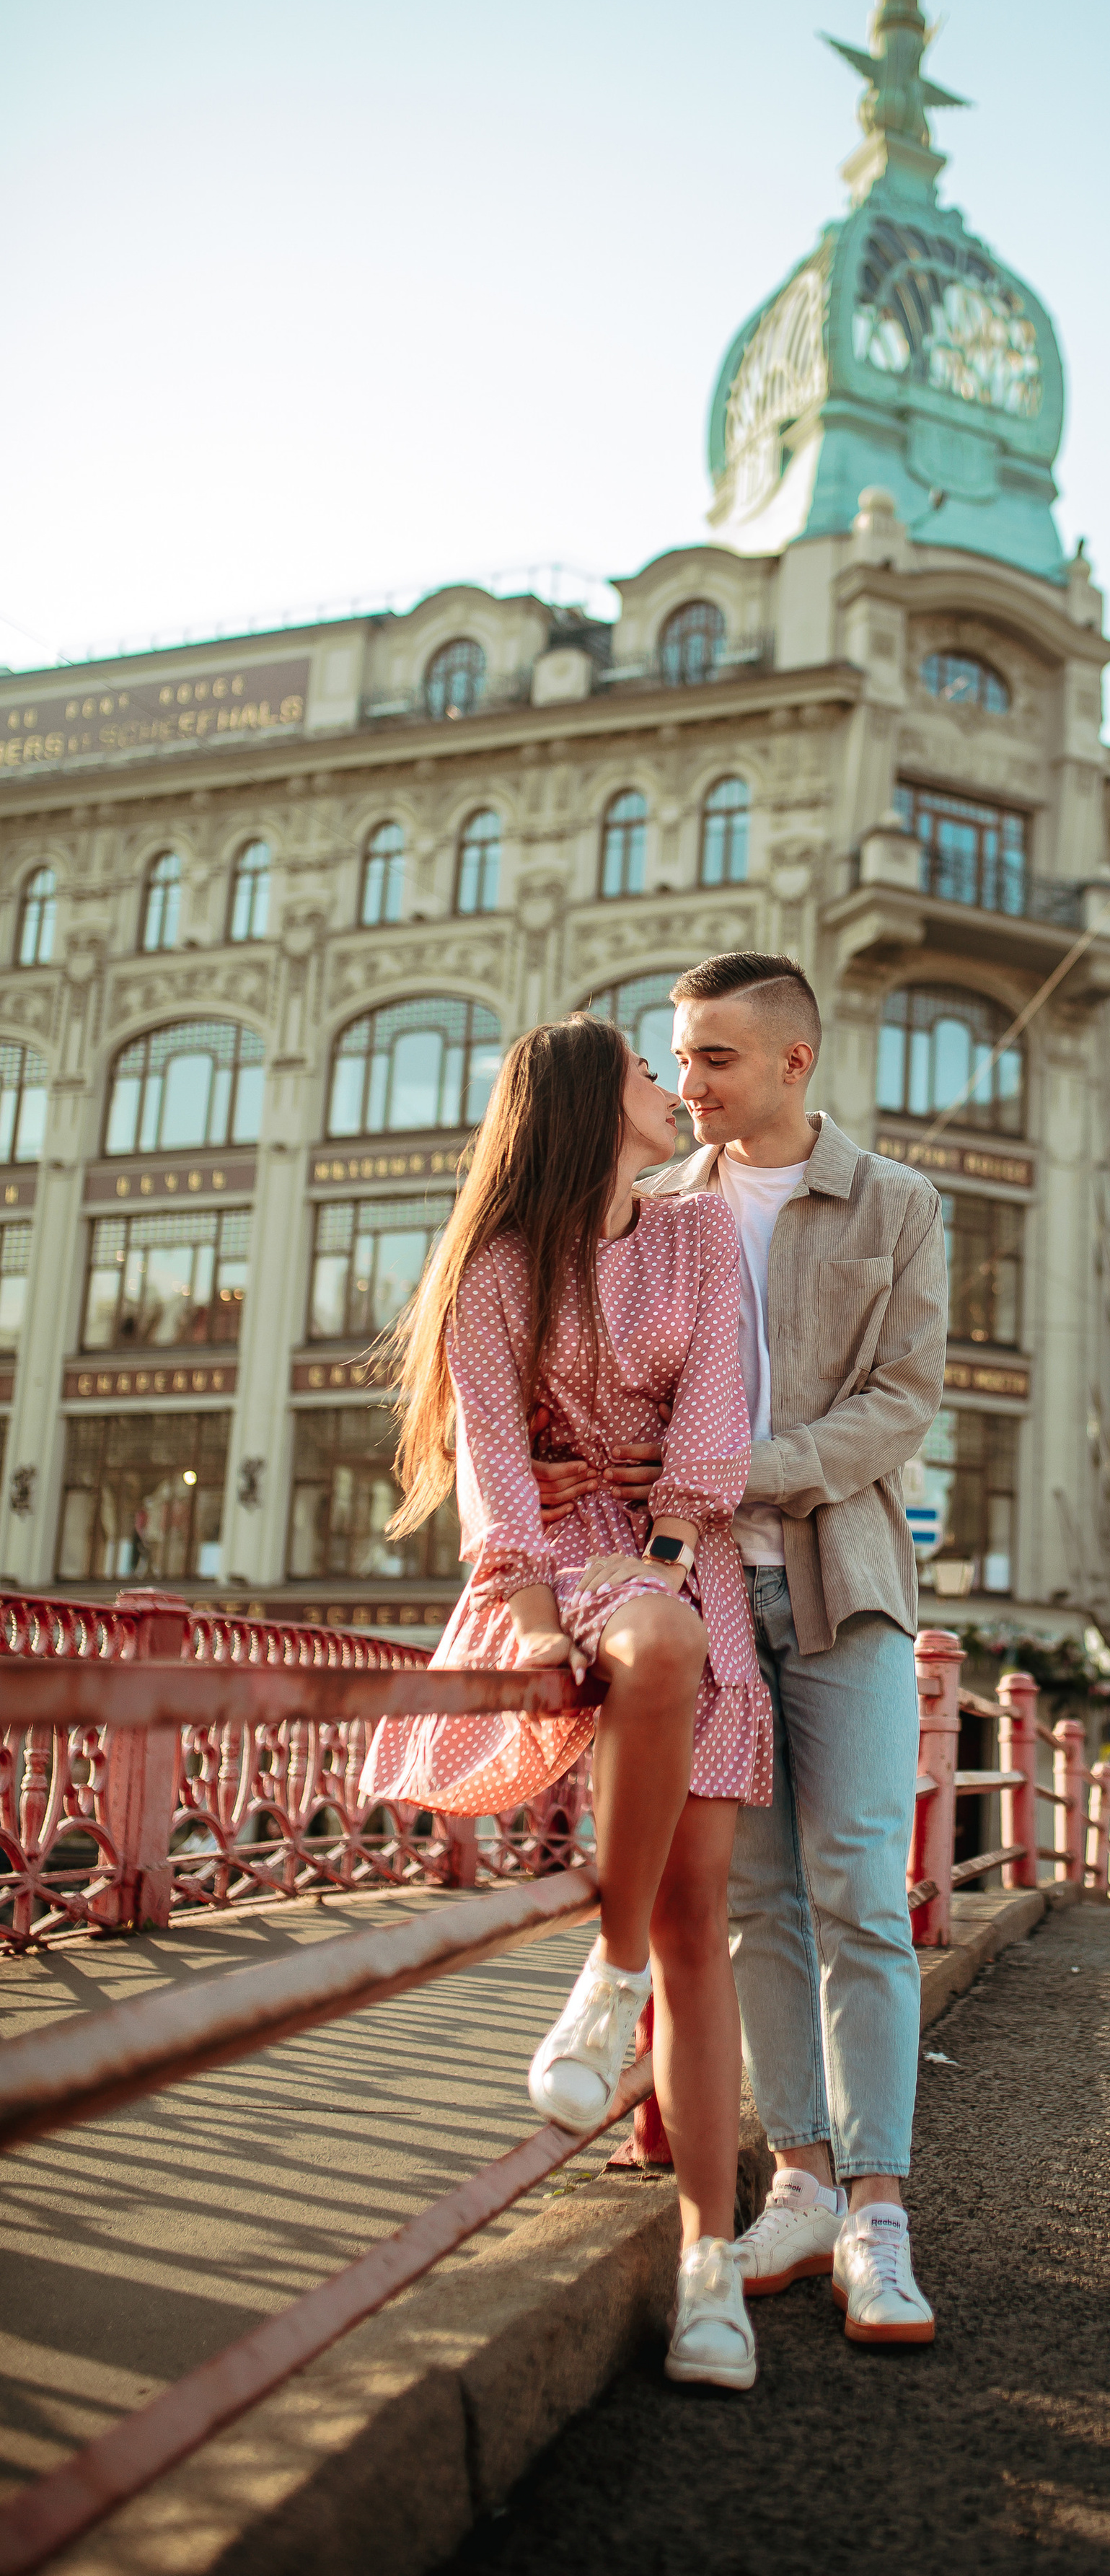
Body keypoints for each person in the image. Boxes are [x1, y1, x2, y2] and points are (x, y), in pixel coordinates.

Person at [534, 951, 948, 2349]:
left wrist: (733, 1467)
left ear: (791, 1063)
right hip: (693, 1594)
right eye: (676, 1056)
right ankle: (803, 2179)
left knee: (859, 1891)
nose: (685, 1081)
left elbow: (901, 1405)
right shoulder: (657, 1212)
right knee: (757, 1902)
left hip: (844, 1589)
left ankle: (882, 2213)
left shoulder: (895, 1203)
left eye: (711, 1057)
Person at [361, 1012, 767, 2391]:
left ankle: (712, 2267)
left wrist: (658, 1556)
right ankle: (611, 1974)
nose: (672, 1089)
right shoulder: (493, 1264)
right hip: (549, 1563)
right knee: (654, 1649)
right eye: (651, 1073)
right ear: (594, 1104)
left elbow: (716, 1421)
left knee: (698, 1907)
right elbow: (492, 1459)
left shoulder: (698, 1237)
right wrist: (532, 1601)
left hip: (673, 1545)